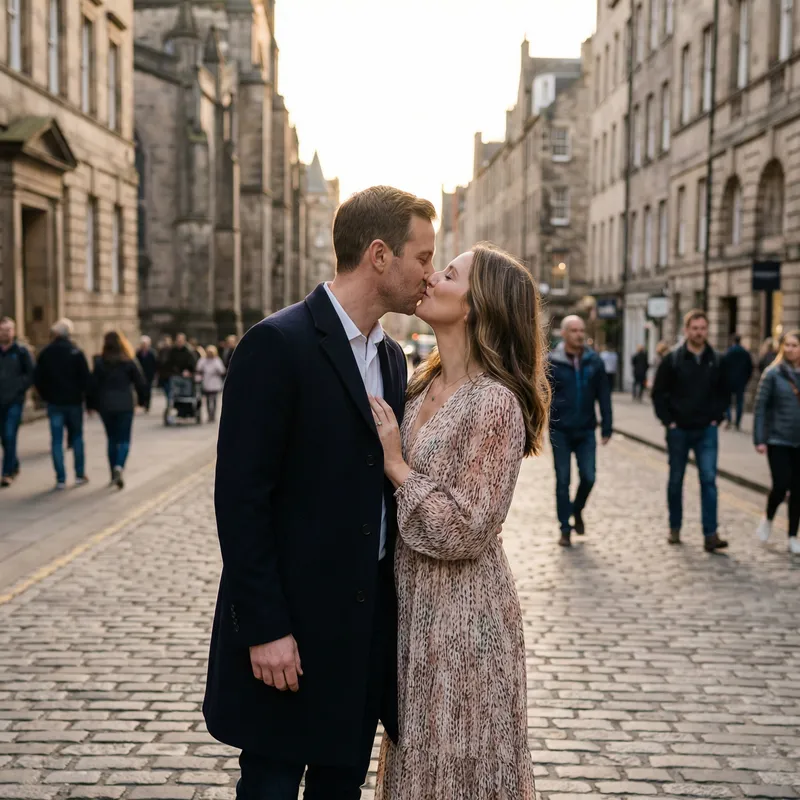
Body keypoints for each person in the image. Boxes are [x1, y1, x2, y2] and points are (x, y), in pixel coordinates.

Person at [203, 186, 437, 800]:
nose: (429, 274)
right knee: (272, 788)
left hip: (358, 639)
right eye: (422, 257)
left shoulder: (391, 358)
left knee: (340, 791)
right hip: (291, 635)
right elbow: (241, 499)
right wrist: (265, 628)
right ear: (380, 256)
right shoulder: (276, 344)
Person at [369, 243, 544, 799]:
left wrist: (398, 466)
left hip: (466, 619)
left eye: (448, 274)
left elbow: (468, 528)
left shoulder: (494, 403)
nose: (431, 277)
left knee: (460, 769)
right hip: (413, 609)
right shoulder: (419, 381)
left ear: (475, 305)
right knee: (418, 762)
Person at [652, 309, 729, 551]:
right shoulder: (673, 359)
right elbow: (658, 393)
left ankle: (710, 534)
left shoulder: (716, 359)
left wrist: (717, 417)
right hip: (679, 430)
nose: (699, 333)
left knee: (709, 481)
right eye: (694, 328)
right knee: (676, 480)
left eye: (703, 328)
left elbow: (724, 392)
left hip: (706, 429)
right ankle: (675, 528)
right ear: (687, 330)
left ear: (707, 330)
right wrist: (669, 421)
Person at [547, 315, 612, 547]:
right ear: (563, 334)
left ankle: (577, 509)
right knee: (562, 480)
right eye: (574, 330)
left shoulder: (594, 361)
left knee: (589, 476)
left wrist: (607, 425)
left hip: (586, 430)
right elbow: (543, 395)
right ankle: (565, 528)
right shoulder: (552, 361)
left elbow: (603, 394)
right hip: (560, 430)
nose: (579, 334)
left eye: (581, 330)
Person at [752, 330, 800, 555]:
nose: (790, 349)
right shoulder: (772, 374)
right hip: (778, 438)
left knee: (798, 490)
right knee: (781, 485)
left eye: (795, 345)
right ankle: (768, 518)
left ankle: (792, 535)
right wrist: (759, 439)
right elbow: (760, 407)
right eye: (787, 345)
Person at [33, 319, 91, 490]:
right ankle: (79, 475)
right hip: (73, 402)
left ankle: (60, 478)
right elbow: (86, 379)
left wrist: (46, 396)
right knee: (77, 438)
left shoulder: (46, 353)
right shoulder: (76, 352)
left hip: (54, 402)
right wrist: (84, 397)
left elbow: (38, 379)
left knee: (56, 440)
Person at [87, 331, 149, 490]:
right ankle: (119, 467)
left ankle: (112, 472)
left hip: (106, 405)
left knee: (112, 439)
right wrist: (143, 401)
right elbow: (141, 382)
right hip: (125, 404)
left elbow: (92, 386)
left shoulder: (100, 362)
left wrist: (90, 405)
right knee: (124, 439)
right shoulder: (128, 361)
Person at [0, 317, 34, 487]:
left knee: (9, 434)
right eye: (2, 330)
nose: (5, 333)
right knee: (4, 438)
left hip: (14, 400)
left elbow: (30, 374)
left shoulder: (21, 351)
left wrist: (19, 388)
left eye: (8, 330)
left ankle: (6, 473)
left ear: (13, 331)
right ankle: (13, 463)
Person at [722, 334, 753, 430]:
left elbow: (723, 367)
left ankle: (729, 419)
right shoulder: (745, 353)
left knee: (727, 402)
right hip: (741, 381)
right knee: (739, 402)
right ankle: (737, 423)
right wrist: (746, 379)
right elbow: (750, 368)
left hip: (729, 381)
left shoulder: (728, 352)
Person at [195, 345, 226, 422]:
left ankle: (213, 414)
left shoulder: (217, 360)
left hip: (215, 382)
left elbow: (222, 370)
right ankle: (209, 414)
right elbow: (198, 369)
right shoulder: (203, 360)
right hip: (206, 382)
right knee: (208, 399)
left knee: (214, 399)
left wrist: (216, 369)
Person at [135, 336, 158, 412]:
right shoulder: (138, 353)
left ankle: (147, 405)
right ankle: (141, 403)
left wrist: (155, 373)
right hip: (140, 374)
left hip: (149, 374)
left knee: (148, 390)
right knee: (140, 389)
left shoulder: (152, 353)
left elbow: (155, 364)